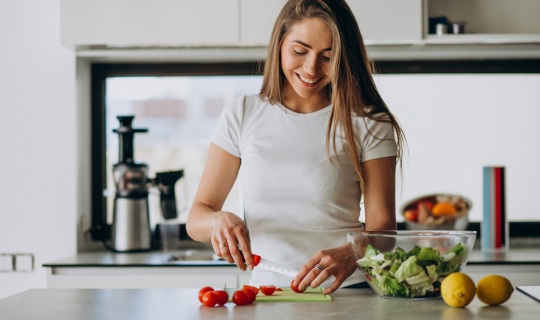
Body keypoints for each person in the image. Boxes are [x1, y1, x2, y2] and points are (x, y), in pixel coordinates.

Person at [186, 0, 405, 295]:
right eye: (299, 51)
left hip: (344, 294)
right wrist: (219, 221)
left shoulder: (369, 123)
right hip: (265, 295)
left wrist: (352, 252)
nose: (311, 68)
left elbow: (384, 231)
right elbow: (197, 217)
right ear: (279, 44)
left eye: (328, 57)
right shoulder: (243, 113)